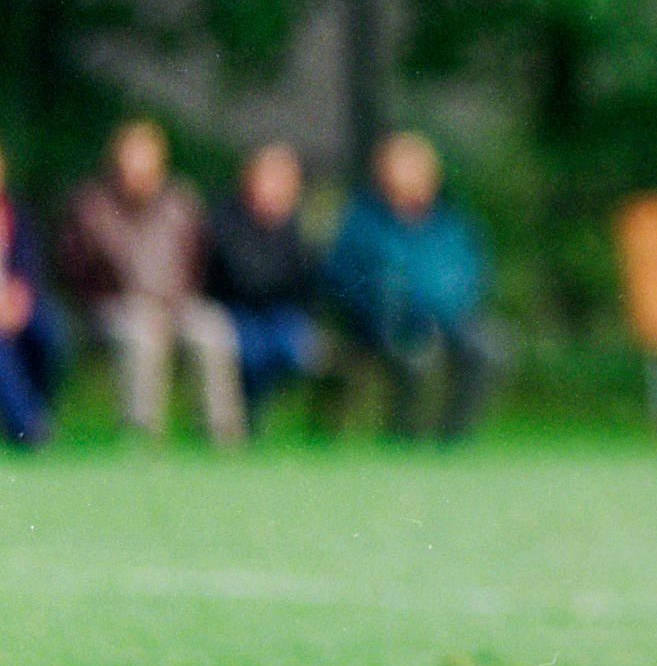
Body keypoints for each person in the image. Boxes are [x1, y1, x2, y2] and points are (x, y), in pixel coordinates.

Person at [59, 119, 244, 444]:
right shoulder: (93, 206)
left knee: (213, 329)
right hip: (117, 307)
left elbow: (199, 262)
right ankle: (142, 436)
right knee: (142, 332)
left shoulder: (181, 203)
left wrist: (174, 302)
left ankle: (224, 437)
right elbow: (78, 271)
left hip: (176, 304)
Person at [327, 132, 493, 441]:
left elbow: (473, 276)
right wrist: (381, 317)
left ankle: (453, 437)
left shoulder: (451, 223)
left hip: (450, 322)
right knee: (417, 357)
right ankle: (406, 437)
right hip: (383, 326)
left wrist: (449, 315)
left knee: (490, 346)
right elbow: (343, 280)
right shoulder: (362, 222)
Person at [207, 144, 325, 435]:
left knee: (300, 350)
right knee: (250, 352)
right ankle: (243, 424)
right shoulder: (226, 220)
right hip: (235, 311)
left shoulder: (297, 226)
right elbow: (244, 279)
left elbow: (309, 283)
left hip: (281, 315)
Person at [0, 141, 64, 447]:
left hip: (13, 304)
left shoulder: (18, 215)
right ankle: (27, 427)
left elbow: (30, 268)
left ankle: (37, 413)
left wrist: (20, 297)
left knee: (51, 333)